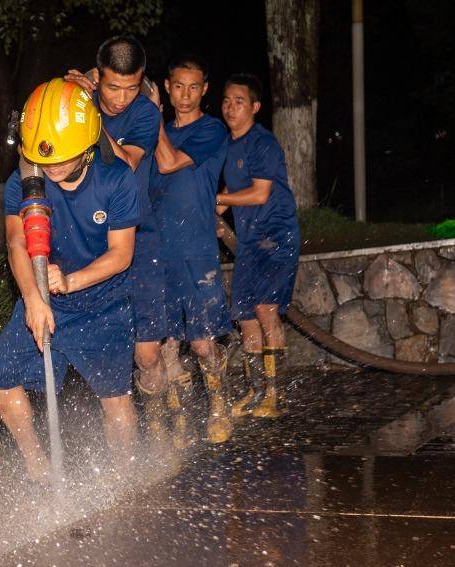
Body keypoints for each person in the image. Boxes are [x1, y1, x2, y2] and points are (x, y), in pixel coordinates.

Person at [0, 78, 141, 482]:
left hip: (102, 304)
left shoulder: (117, 179)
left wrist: (70, 282)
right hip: (42, 295)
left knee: (115, 402)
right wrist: (34, 299)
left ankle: (127, 481)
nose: (51, 168)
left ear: (88, 145)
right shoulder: (25, 182)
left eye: (62, 160)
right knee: (0, 378)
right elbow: (17, 244)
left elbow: (122, 256)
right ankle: (39, 468)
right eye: (43, 159)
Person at [63, 37, 169, 440]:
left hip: (140, 241)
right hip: (89, 238)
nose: (123, 97)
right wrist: (70, 90)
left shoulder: (145, 113)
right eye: (112, 87)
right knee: (107, 360)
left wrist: (92, 113)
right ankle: (124, 441)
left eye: (132, 86)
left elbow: (126, 161)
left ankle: (158, 419)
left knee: (147, 354)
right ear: (98, 74)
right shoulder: (80, 99)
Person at [146, 55, 234, 444]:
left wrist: (153, 118)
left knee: (201, 342)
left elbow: (167, 164)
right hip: (155, 251)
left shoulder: (212, 130)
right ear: (167, 86)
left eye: (194, 87)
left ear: (205, 89)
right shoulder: (154, 133)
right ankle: (176, 417)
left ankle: (219, 404)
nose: (185, 94)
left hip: (196, 250)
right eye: (178, 86)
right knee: (163, 344)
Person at [216, 73, 301, 418]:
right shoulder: (227, 145)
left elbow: (259, 192)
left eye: (239, 101)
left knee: (266, 311)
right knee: (246, 318)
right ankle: (255, 393)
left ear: (254, 106)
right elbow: (226, 198)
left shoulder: (262, 143)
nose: (230, 107)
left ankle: (275, 396)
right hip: (250, 240)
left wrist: (218, 198)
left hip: (276, 235)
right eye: (226, 101)